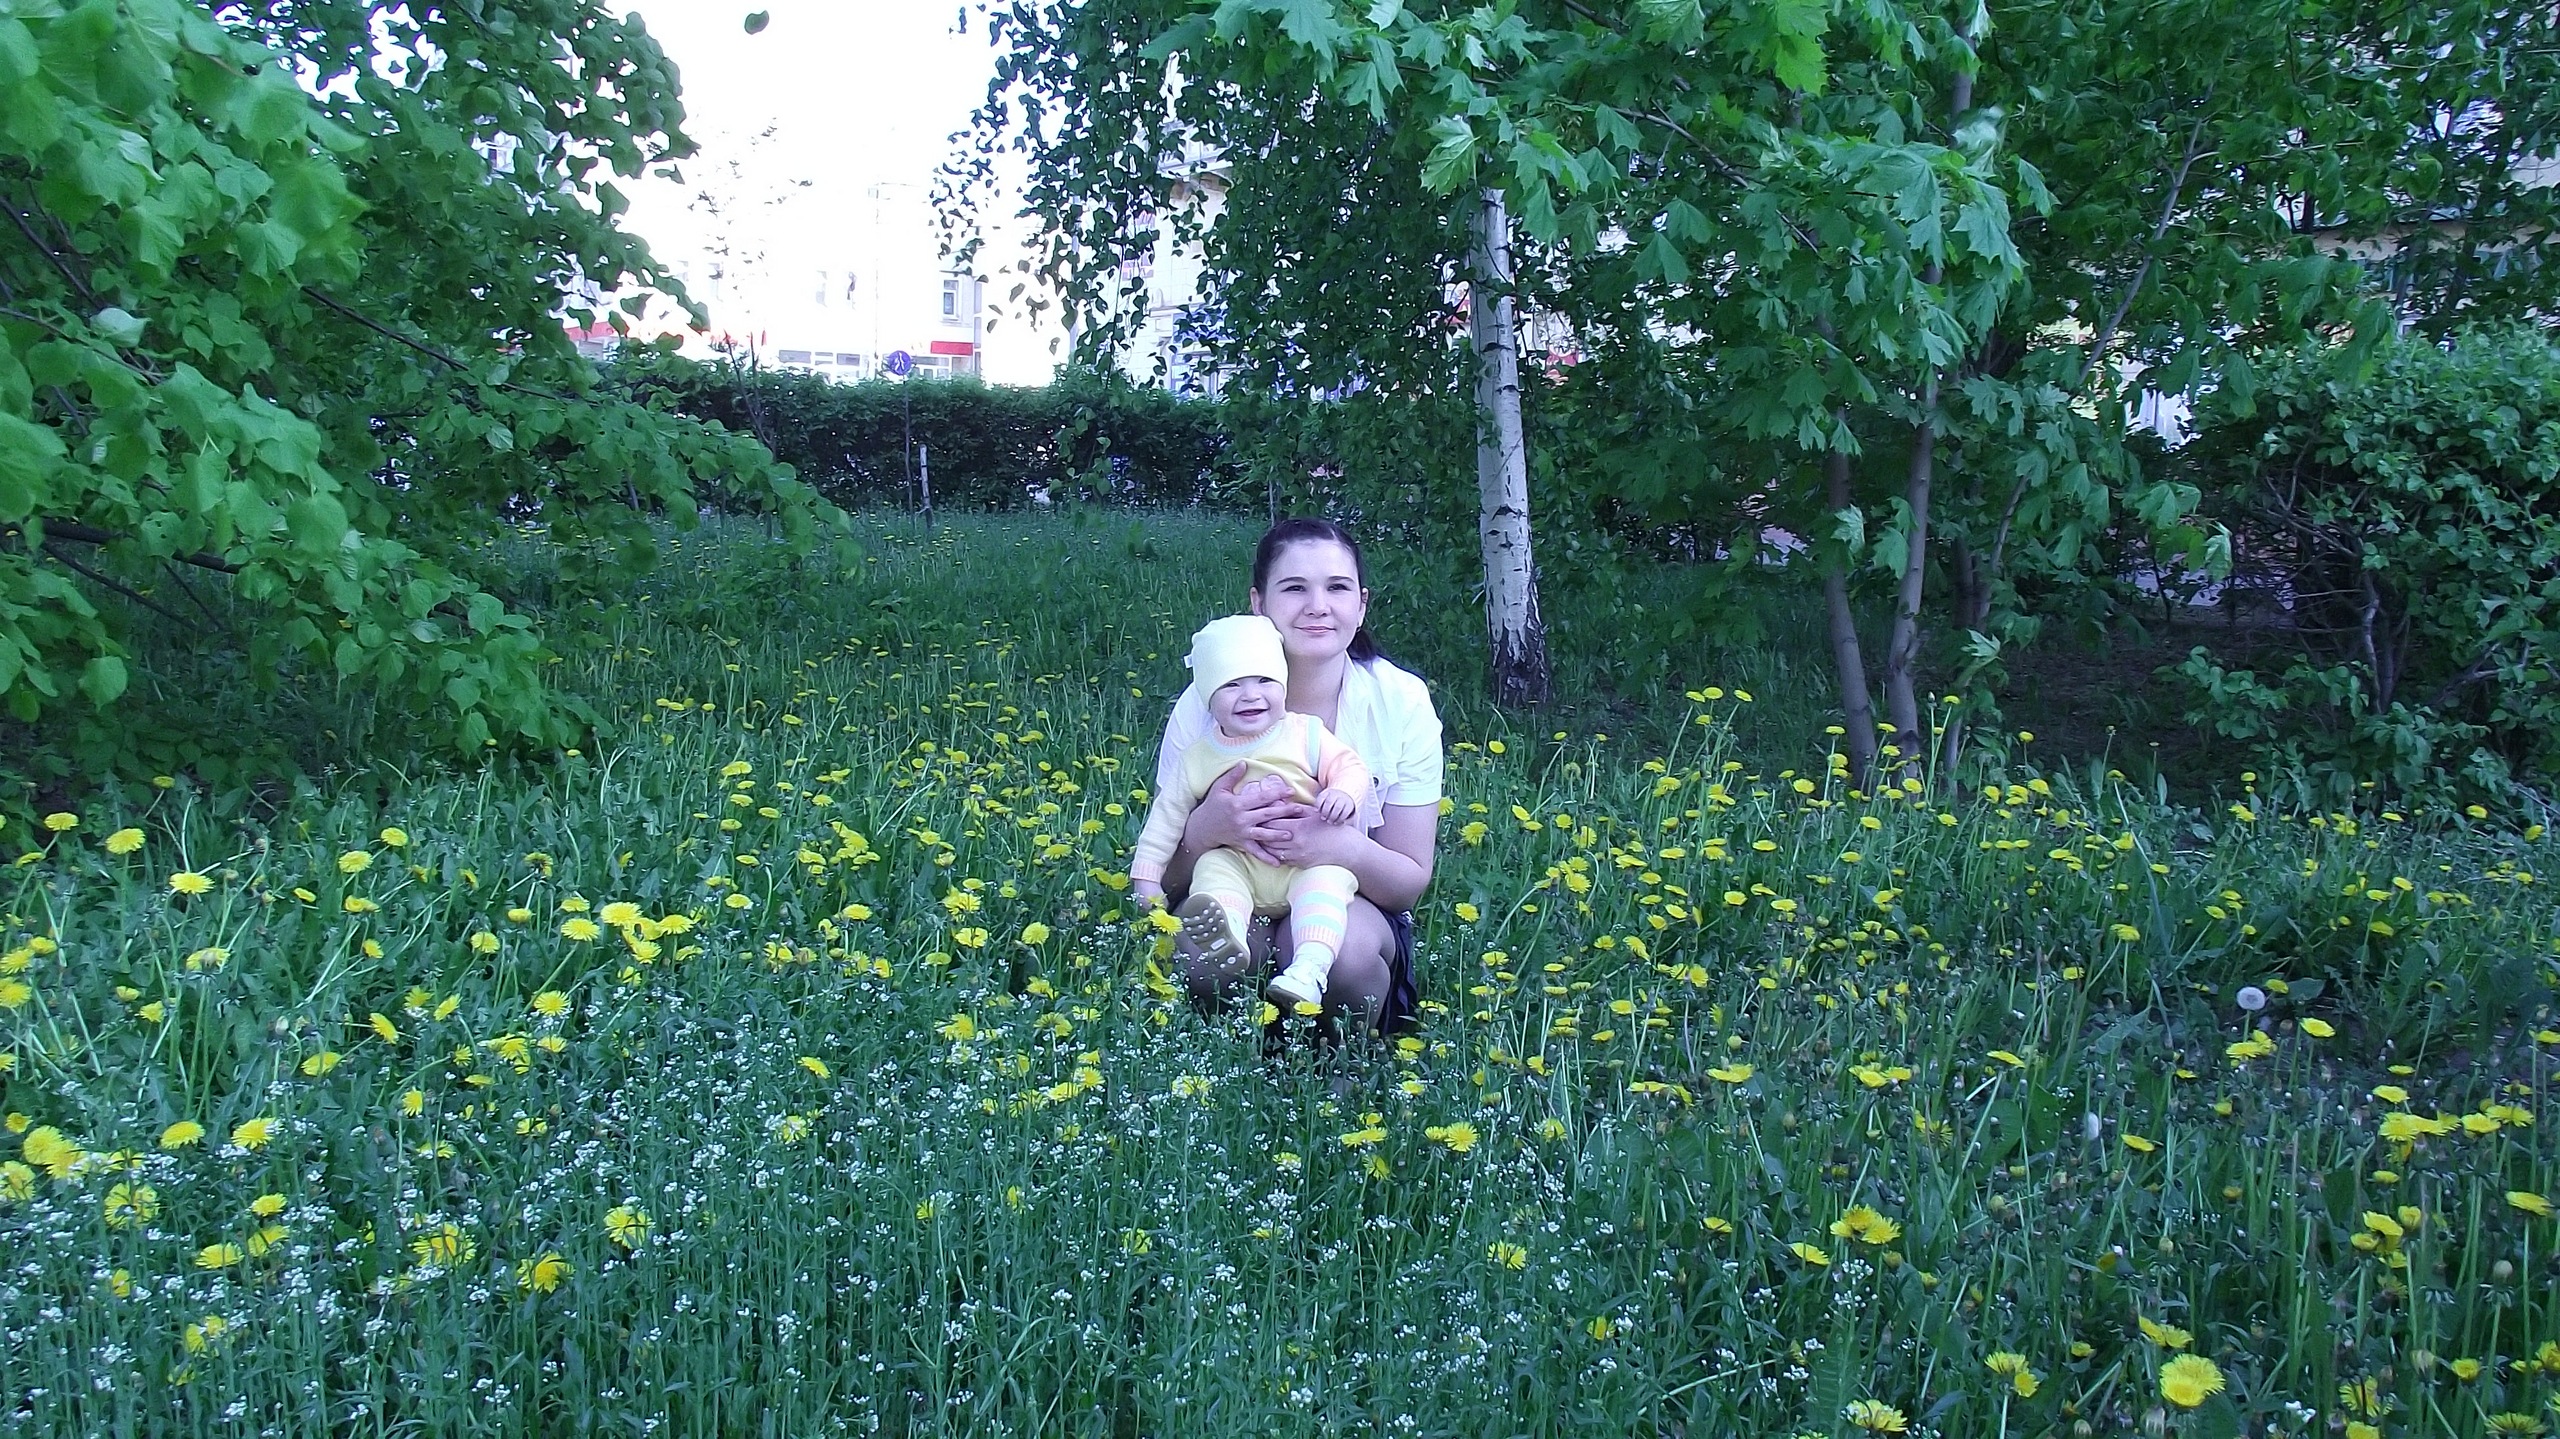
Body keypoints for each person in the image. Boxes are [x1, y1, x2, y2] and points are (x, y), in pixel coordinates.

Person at [1148, 518, 1442, 1034]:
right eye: (1294, 588)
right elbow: (1166, 874)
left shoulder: (1400, 700)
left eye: (1337, 588)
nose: (1318, 606)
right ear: (1259, 604)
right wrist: (1205, 832)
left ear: (1362, 605)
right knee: (1204, 949)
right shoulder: (1205, 703)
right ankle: (1234, 1058)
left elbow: (1407, 885)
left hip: (1347, 899)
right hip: (1236, 888)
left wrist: (1340, 847)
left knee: (1343, 951)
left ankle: (1339, 1062)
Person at [1130, 614, 1369, 1010]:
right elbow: (1164, 820)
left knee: (1326, 885)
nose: (1250, 695)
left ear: (1283, 685)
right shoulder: (1197, 757)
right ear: (1208, 696)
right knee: (1214, 870)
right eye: (1231, 684)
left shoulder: (1305, 733)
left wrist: (1343, 792)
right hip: (1239, 863)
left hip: (1306, 860)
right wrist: (1146, 880)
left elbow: (1350, 766)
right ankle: (1229, 938)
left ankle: (1309, 969)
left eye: (1264, 681)